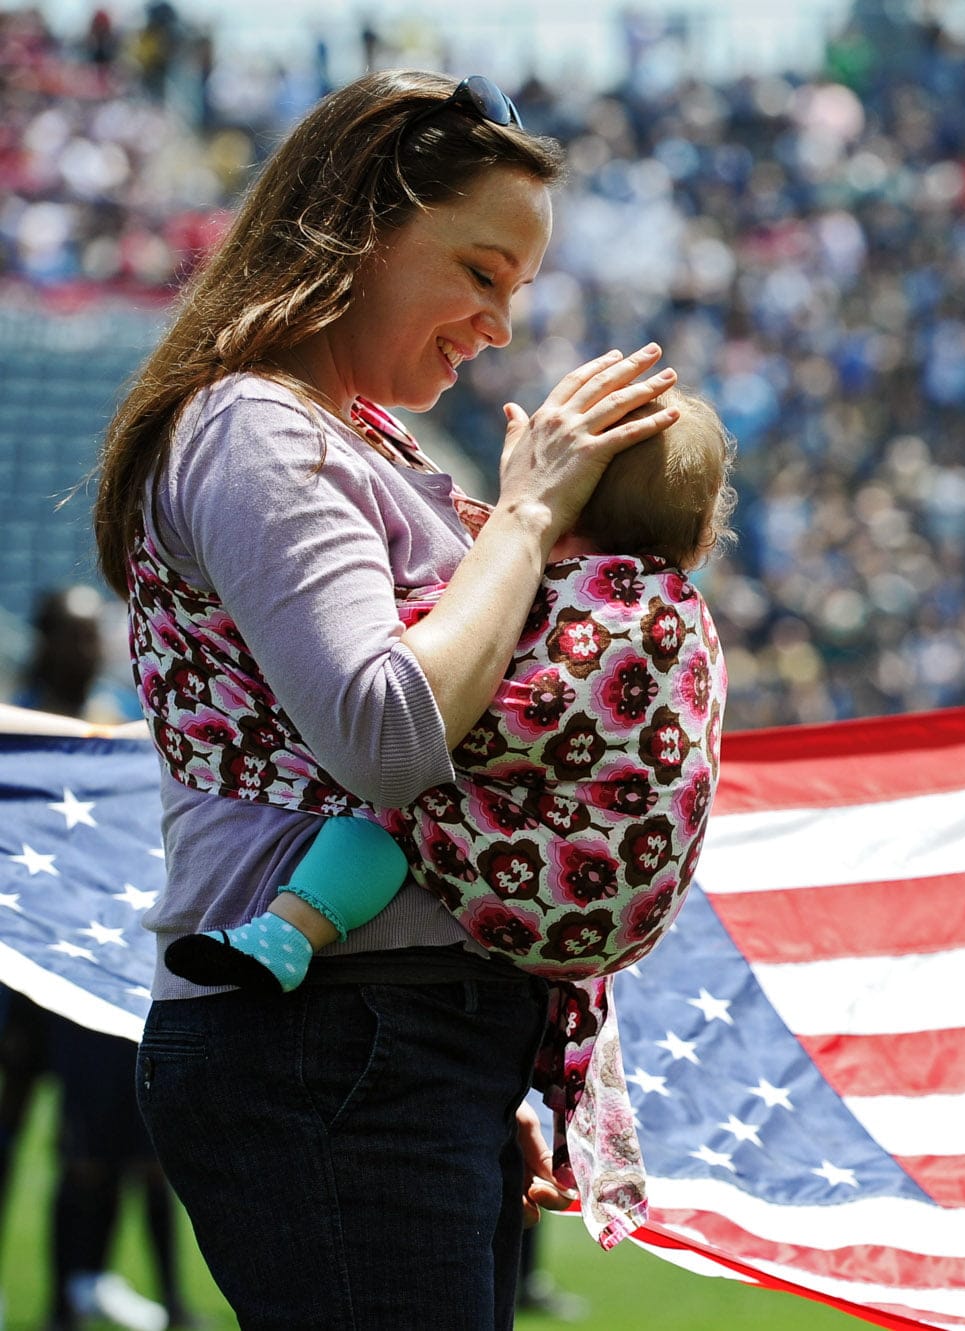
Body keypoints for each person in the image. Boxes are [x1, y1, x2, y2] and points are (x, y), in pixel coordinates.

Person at [92, 70, 675, 1328]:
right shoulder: (255, 425)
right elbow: (388, 739)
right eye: (478, 270)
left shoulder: (353, 437)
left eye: (513, 288)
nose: (498, 325)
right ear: (357, 225)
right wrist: (527, 514)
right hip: (332, 1041)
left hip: (388, 1042)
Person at [162, 386, 733, 995]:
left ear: (566, 498)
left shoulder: (577, 599)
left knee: (402, 783)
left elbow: (457, 706)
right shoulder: (684, 616)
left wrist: (495, 542)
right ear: (702, 541)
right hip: (632, 904)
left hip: (560, 890)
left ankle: (290, 933)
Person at [5, 587, 188, 1331]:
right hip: (20, 981)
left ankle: (87, 1294)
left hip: (100, 964)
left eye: (90, 637)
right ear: (43, 641)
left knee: (110, 1144)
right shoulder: (20, 734)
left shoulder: (120, 725)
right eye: (70, 637)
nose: (82, 650)